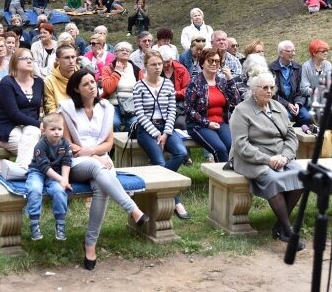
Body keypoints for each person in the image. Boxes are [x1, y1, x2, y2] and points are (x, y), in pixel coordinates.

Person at [58, 69, 149, 270]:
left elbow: (109, 143)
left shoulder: (106, 108)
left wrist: (96, 153)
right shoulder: (66, 109)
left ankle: (90, 244)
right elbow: (67, 145)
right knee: (95, 166)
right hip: (74, 162)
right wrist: (93, 156)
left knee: (101, 187)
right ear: (76, 89)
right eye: (86, 84)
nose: (92, 87)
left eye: (93, 82)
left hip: (101, 159)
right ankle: (132, 208)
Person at [228, 71, 305, 251]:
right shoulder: (241, 111)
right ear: (253, 90)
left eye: (272, 87)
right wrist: (268, 160)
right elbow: (241, 145)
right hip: (252, 158)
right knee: (272, 180)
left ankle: (279, 227)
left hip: (280, 156)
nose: (269, 91)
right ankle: (288, 229)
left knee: (301, 176)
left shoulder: (277, 106)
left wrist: (285, 156)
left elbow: (291, 137)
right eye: (265, 87)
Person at [133, 51, 190, 219]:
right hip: (146, 129)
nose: (158, 67)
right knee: (159, 161)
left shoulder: (167, 84)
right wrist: (156, 133)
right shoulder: (139, 86)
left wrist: (165, 132)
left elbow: (172, 109)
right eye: (153, 64)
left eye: (159, 64)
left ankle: (160, 190)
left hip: (167, 127)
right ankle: (176, 200)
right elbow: (140, 114)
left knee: (181, 152)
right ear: (145, 66)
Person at [0, 48, 44, 178]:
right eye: (24, 58)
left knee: (33, 134)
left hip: (30, 127)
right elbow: (13, 113)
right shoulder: (7, 82)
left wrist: (39, 125)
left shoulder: (39, 82)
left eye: (31, 58)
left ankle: (17, 173)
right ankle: (26, 175)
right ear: (15, 62)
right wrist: (39, 124)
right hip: (7, 127)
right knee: (31, 147)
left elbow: (38, 109)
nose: (29, 61)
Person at [184, 48, 240, 162]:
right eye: (210, 61)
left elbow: (236, 102)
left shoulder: (222, 82)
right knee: (219, 149)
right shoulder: (195, 82)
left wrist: (230, 79)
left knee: (232, 147)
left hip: (221, 122)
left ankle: (234, 175)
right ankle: (223, 178)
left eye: (217, 61)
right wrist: (207, 123)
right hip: (199, 125)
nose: (214, 64)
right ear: (202, 63)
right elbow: (188, 109)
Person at [26, 112, 73, 241]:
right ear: (44, 130)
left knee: (59, 191)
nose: (56, 132)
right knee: (35, 189)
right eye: (52, 129)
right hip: (38, 171)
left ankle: (60, 224)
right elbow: (45, 167)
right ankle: (34, 224)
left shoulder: (66, 144)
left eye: (60, 129)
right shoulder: (40, 145)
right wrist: (61, 179)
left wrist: (65, 180)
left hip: (55, 174)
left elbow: (67, 162)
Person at [268, 40, 312, 128]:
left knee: (307, 117)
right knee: (286, 117)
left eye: (294, 50)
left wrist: (298, 103)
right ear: (281, 53)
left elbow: (301, 89)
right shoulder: (271, 68)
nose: (293, 53)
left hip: (295, 102)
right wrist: (287, 104)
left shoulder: (298, 68)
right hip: (279, 103)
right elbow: (272, 93)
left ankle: (296, 136)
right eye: (290, 51)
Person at [43, 44, 78, 113]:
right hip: (60, 118)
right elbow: (50, 108)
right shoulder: (49, 80)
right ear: (57, 60)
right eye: (67, 58)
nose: (71, 61)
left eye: (73, 57)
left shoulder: (83, 76)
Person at [300, 39, 332, 105]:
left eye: (326, 51)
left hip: (327, 98)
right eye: (323, 51)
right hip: (312, 100)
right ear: (314, 53)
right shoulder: (306, 66)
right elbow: (304, 88)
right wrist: (317, 91)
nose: (326, 53)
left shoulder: (328, 64)